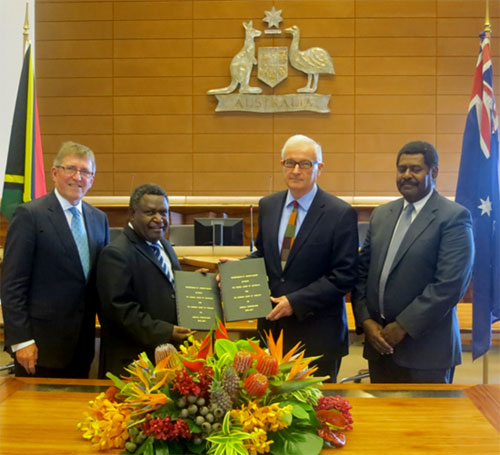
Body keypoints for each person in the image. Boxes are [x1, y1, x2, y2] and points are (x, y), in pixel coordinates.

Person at [351, 141, 474, 383]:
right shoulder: (381, 215)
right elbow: (361, 274)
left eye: (415, 169)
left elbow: (449, 284)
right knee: (383, 419)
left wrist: (403, 326)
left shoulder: (453, 217)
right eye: (401, 169)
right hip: (379, 347)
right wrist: (366, 321)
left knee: (428, 420)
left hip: (427, 352)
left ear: (434, 172)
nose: (407, 175)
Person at [247, 134, 359, 381]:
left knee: (315, 413)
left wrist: (296, 302)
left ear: (319, 168)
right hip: (271, 330)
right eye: (290, 163)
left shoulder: (340, 213)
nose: (296, 170)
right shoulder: (268, 205)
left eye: (305, 164)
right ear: (282, 165)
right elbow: (265, 255)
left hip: (317, 335)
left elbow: (344, 276)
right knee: (268, 410)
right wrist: (238, 269)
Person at [1, 141, 109, 378]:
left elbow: (101, 281)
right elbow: (12, 284)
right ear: (54, 173)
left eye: (85, 172)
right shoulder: (30, 215)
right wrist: (21, 340)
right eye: (70, 168)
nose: (77, 177)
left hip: (82, 346)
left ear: (92, 179)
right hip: (39, 348)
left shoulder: (99, 219)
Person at [96, 183, 192, 377]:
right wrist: (166, 331)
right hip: (134, 365)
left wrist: (197, 284)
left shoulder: (164, 244)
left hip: (165, 359)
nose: (159, 219)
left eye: (164, 212)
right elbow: (121, 312)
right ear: (132, 214)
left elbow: (170, 287)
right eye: (150, 212)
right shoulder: (116, 254)